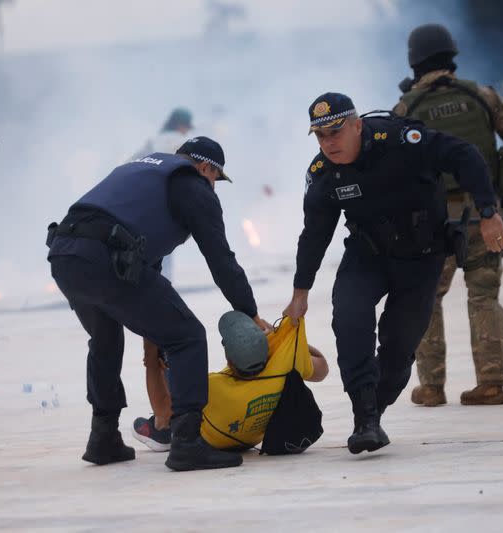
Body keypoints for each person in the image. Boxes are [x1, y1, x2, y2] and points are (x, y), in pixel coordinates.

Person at [282, 92, 503, 454]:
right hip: (367, 255)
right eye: (321, 136)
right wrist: (300, 290)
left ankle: (375, 409)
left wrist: (487, 211)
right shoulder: (324, 174)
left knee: (399, 347)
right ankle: (364, 418)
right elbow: (315, 234)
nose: (329, 143)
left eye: (336, 132)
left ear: (357, 126)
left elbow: (463, 154)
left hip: (421, 256)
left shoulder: (400, 140)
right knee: (350, 319)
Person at [47, 136, 272, 471]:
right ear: (207, 168)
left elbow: (138, 247)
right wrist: (250, 312)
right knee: (187, 335)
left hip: (65, 254)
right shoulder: (193, 186)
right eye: (216, 179)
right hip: (102, 258)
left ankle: (103, 437)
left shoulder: (145, 169)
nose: (214, 186)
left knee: (105, 340)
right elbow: (221, 259)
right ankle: (186, 444)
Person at [394, 23, 503, 407]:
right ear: (452, 55)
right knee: (484, 295)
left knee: (427, 299)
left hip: (435, 219)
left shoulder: (407, 108)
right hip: (486, 212)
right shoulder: (482, 95)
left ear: (415, 60)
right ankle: (491, 383)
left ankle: (432, 387)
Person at [132, 311, 328, 452]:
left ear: (229, 360)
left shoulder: (212, 387)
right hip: (253, 436)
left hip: (215, 440)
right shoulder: (284, 367)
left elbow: (164, 411)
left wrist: (150, 359)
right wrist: (283, 343)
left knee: (170, 366)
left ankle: (160, 433)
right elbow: (323, 369)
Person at [129, 108, 195, 435]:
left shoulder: (153, 140)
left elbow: (129, 164)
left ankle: (163, 419)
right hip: (164, 212)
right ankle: (175, 424)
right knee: (184, 335)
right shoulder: (182, 142)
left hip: (138, 215)